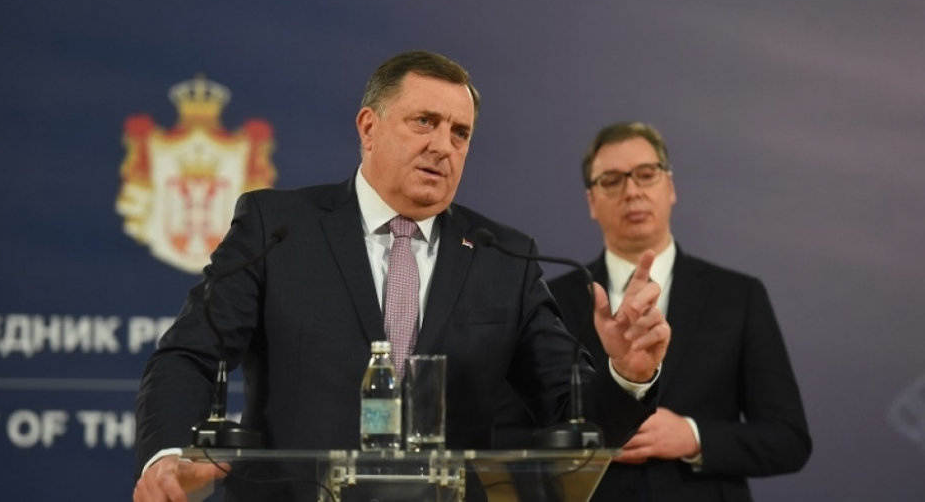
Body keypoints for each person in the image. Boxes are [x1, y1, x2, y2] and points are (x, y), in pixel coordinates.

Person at [132, 52, 671, 502]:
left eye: (460, 133)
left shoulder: (504, 256)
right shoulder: (278, 228)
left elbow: (571, 416)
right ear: (369, 128)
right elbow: (189, 354)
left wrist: (627, 375)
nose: (443, 146)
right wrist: (168, 454)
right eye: (425, 122)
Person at [502, 121, 812, 502]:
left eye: (646, 174)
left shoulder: (738, 296)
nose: (632, 191)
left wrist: (693, 437)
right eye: (612, 180)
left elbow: (789, 439)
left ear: (670, 187)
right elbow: (509, 438)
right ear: (591, 202)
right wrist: (593, 438)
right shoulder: (550, 301)